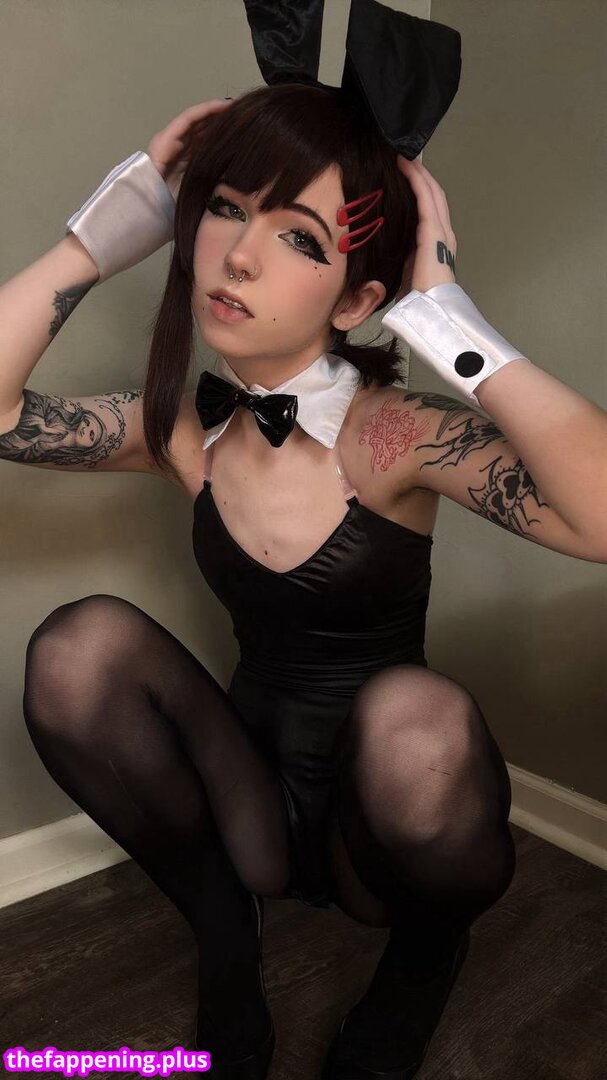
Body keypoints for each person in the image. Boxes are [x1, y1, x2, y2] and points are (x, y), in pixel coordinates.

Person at [2, 79, 605, 1080]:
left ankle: (423, 958)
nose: (238, 255)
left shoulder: (394, 433)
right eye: (225, 209)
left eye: (299, 238)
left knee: (419, 716)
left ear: (358, 300)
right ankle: (224, 938)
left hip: (389, 805)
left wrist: (446, 320)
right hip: (251, 800)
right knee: (78, 647)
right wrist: (94, 241)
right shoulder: (183, 428)